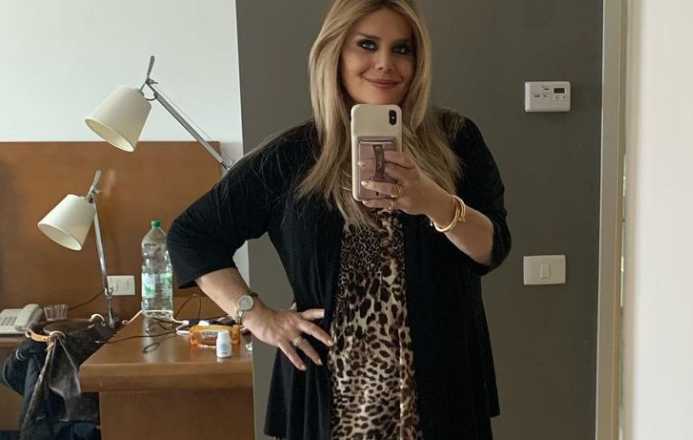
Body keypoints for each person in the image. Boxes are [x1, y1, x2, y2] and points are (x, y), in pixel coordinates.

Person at [166, 1, 511, 439]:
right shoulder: (292, 157)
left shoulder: (456, 140)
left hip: (442, 390)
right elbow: (191, 236)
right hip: (330, 395)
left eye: (402, 49)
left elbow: (492, 247)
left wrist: (433, 201)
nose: (385, 63)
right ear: (335, 53)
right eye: (366, 45)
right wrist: (255, 315)